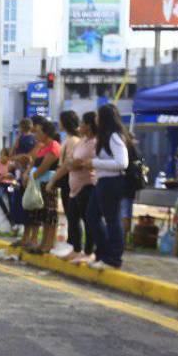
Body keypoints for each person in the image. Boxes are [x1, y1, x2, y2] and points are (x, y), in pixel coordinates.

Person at [82, 103, 130, 271]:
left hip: (112, 182)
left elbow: (122, 162)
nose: (95, 119)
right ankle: (102, 252)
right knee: (91, 215)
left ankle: (114, 257)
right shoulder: (104, 136)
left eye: (98, 116)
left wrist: (94, 163)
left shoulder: (114, 137)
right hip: (102, 182)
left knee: (112, 220)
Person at [19, 116, 61, 254]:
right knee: (42, 216)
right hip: (39, 184)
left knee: (50, 216)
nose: (36, 134)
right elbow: (34, 164)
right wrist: (28, 175)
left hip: (48, 184)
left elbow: (44, 167)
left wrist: (31, 177)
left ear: (45, 133)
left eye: (38, 132)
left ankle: (48, 244)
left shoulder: (54, 146)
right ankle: (42, 243)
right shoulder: (42, 147)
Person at [62, 111, 98, 264]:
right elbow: (70, 161)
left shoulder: (95, 142)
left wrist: (75, 163)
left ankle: (89, 251)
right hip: (74, 187)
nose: (80, 126)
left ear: (88, 126)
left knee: (88, 219)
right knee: (73, 218)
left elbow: (84, 162)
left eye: (82, 123)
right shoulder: (82, 141)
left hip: (87, 185)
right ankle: (76, 249)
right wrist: (73, 163)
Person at [48, 111, 82, 258]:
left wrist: (53, 180)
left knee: (73, 215)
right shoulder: (68, 139)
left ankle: (75, 246)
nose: (59, 123)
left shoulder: (72, 140)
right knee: (70, 214)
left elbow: (66, 165)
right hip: (67, 180)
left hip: (70, 180)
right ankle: (72, 244)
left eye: (61, 120)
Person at [0, 148, 17, 223]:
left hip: (10, 184)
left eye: (3, 155)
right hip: (1, 184)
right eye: (0, 155)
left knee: (11, 200)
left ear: (8, 157)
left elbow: (13, 176)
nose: (1, 157)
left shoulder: (11, 164)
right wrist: (3, 176)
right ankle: (7, 213)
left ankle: (12, 219)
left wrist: (2, 176)